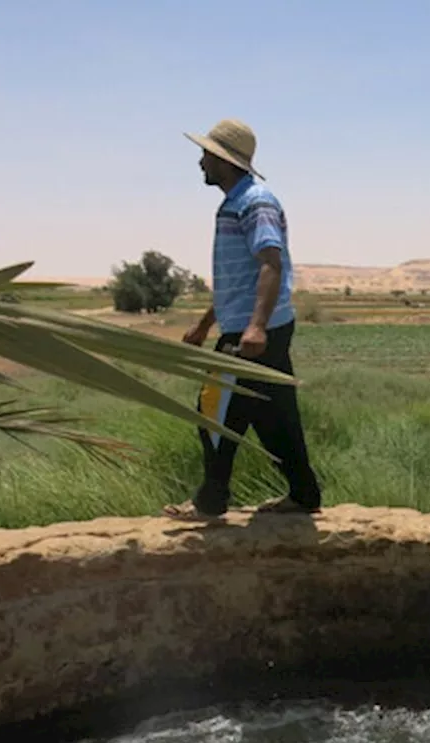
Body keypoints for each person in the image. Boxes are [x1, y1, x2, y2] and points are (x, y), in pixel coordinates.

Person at [162, 118, 322, 521]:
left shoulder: (256, 202)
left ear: (222, 160)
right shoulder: (235, 202)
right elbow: (239, 280)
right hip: (256, 326)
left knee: (213, 411)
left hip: (256, 332)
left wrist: (255, 326)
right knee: (274, 416)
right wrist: (204, 324)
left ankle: (210, 502)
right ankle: (304, 494)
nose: (200, 163)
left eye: (205, 155)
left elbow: (271, 262)